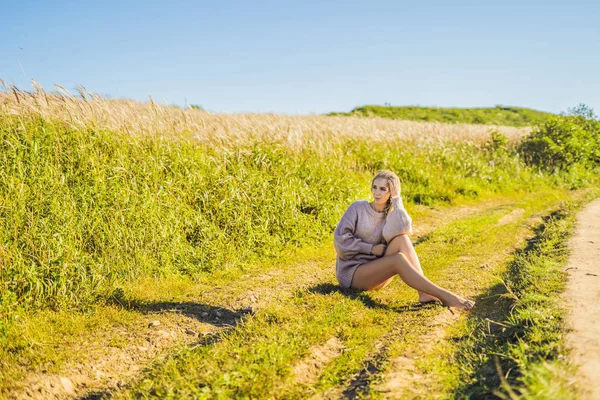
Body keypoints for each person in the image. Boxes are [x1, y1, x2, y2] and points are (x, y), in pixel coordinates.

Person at [334, 170, 475, 310]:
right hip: (353, 274)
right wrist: (370, 248)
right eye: (374, 187)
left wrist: (396, 199)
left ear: (391, 192)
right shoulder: (358, 208)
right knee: (398, 259)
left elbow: (405, 228)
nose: (377, 192)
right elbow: (340, 242)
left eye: (383, 189)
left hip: (377, 272)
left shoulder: (390, 214)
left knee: (402, 238)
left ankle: (424, 293)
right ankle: (444, 295)